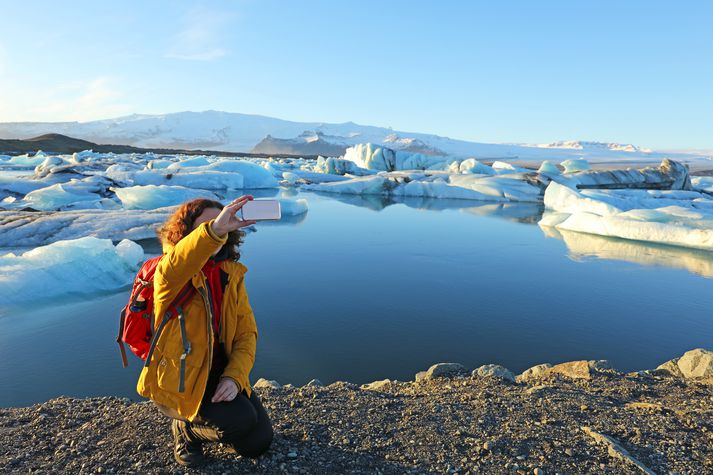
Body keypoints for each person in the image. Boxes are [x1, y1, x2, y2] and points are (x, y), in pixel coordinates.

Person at [136, 195, 273, 467]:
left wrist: (234, 377)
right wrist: (214, 230)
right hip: (182, 379)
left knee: (258, 442)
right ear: (187, 232)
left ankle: (210, 423)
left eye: (222, 223)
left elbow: (247, 333)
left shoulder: (230, 273)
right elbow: (181, 260)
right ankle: (185, 431)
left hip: (217, 373)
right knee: (241, 420)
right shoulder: (169, 274)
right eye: (206, 225)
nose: (217, 228)